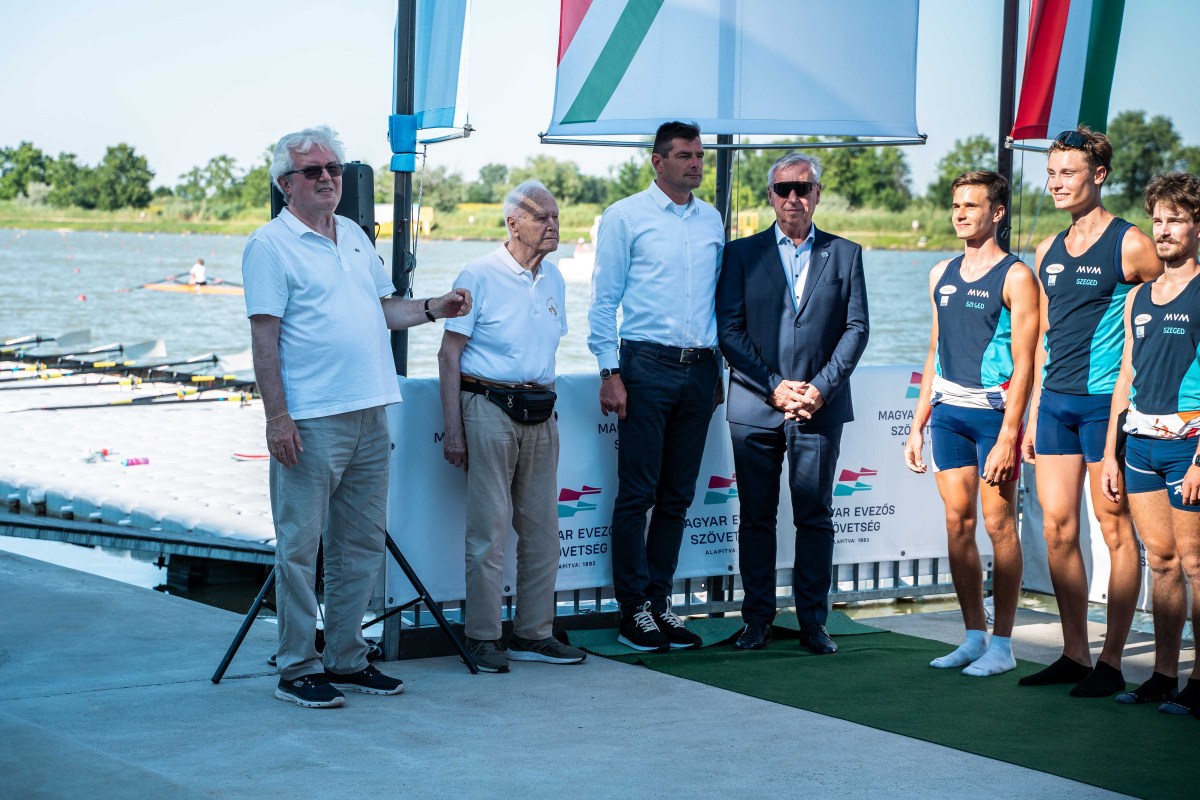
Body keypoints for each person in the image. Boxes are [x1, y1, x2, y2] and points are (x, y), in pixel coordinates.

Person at [242, 125, 471, 708]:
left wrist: (433, 308)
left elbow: (383, 310)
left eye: (334, 169)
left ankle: (346, 657)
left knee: (360, 544)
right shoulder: (269, 246)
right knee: (300, 549)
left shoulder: (353, 235)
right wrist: (277, 418)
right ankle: (297, 667)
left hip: (371, 409)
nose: (327, 178)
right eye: (313, 171)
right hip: (312, 418)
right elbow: (264, 341)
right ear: (286, 183)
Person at [1020, 127, 1161, 697]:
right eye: (1051, 174)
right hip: (1055, 405)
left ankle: (1111, 661)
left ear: (1098, 176)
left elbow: (1174, 304)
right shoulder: (1047, 250)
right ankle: (1075, 653)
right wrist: (1032, 412)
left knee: (1114, 529)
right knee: (1057, 530)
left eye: (1068, 173)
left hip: (1107, 406)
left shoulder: (1131, 244)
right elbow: (1043, 338)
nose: (1056, 183)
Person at [716, 152, 869, 654]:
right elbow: (730, 332)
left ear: (817, 194)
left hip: (819, 408)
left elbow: (856, 329)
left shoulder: (845, 254)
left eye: (803, 188)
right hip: (755, 407)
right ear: (770, 196)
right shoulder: (741, 254)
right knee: (756, 518)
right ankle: (756, 620)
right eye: (783, 189)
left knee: (815, 516)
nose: (793, 198)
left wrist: (820, 389)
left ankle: (813, 624)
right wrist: (774, 387)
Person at [438, 181, 586, 673]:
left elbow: (545, 349)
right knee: (489, 531)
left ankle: (533, 634)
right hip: (488, 405)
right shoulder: (478, 274)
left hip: (541, 410)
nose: (553, 225)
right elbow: (448, 355)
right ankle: (482, 638)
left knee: (543, 533)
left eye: (556, 216)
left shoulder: (555, 278)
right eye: (542, 217)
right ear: (513, 223)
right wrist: (454, 429)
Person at [588, 121, 723, 652]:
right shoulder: (624, 216)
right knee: (638, 495)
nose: (696, 164)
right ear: (658, 161)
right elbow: (604, 301)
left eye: (700, 156)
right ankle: (633, 612)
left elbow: (717, 302)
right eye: (685, 155)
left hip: (701, 369)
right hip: (645, 365)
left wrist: (718, 369)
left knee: (677, 497)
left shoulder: (711, 219)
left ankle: (661, 604)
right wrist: (609, 371)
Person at [903, 171, 1039, 676]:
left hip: (993, 419)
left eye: (971, 206)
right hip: (948, 416)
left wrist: (1010, 435)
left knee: (999, 525)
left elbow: (1026, 363)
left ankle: (1003, 644)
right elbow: (934, 351)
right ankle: (973, 636)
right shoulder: (940, 272)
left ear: (997, 213)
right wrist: (917, 424)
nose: (960, 214)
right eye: (956, 205)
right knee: (957, 523)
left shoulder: (1017, 276)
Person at [1100, 172, 1200, 716]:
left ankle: (1199, 680)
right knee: (1161, 562)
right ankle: (1163, 675)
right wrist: (1111, 453)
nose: (1163, 230)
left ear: (1197, 227)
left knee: (1195, 565)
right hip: (1139, 446)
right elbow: (1126, 377)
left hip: (1189, 449)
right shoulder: (1138, 297)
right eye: (1158, 219)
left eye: (1175, 220)